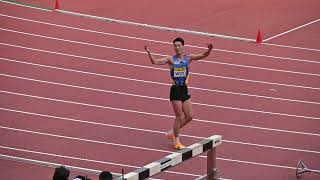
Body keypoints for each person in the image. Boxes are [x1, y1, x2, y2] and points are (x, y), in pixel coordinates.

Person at [145, 37, 213, 149]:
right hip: (175, 89)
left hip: (184, 88)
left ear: (183, 46)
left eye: (179, 45)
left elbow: (202, 55)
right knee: (179, 117)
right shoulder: (170, 59)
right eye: (175, 46)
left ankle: (172, 132)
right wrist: (149, 53)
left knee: (189, 116)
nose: (177, 48)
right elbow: (155, 62)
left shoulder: (188, 58)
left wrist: (209, 50)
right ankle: (176, 141)